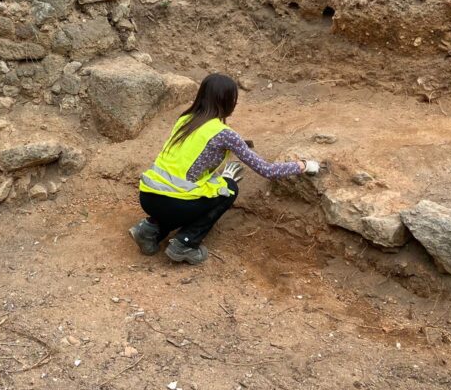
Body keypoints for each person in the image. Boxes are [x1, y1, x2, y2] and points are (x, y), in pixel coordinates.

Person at [130, 73, 319, 264]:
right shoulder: (225, 135)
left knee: (182, 197)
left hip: (148, 195)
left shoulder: (185, 119)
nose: (235, 104)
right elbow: (267, 170)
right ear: (227, 101)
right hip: (175, 202)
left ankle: (149, 229)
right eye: (234, 99)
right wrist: (303, 165)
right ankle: (184, 243)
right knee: (228, 189)